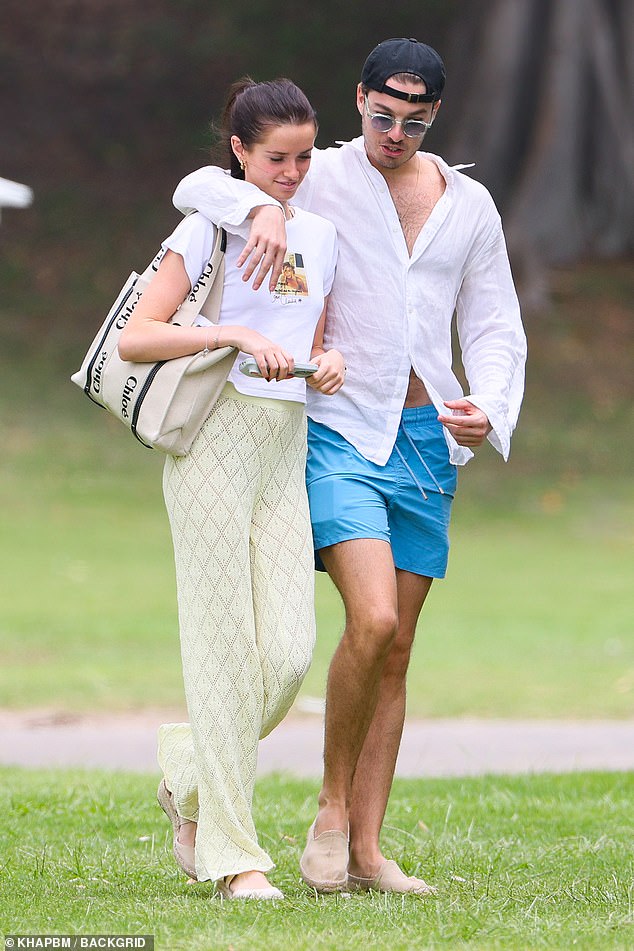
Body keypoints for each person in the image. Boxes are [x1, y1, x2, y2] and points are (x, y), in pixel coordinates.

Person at [172, 38, 527, 896]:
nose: (393, 134)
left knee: (396, 650)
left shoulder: (469, 204)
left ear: (434, 115)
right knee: (369, 620)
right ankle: (330, 812)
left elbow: (493, 323)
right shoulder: (321, 173)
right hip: (334, 429)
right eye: (380, 115)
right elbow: (200, 185)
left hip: (424, 438)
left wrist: (490, 405)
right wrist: (254, 209)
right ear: (361, 99)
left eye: (411, 121)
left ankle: (367, 851)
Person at [119, 76, 345, 901]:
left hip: (286, 442)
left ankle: (185, 769)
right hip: (212, 436)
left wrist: (330, 360)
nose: (291, 172)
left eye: (303, 157)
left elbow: (314, 335)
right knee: (220, 652)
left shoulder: (318, 236)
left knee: (286, 651)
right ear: (240, 152)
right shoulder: (205, 224)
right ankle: (234, 857)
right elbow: (140, 336)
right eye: (275, 158)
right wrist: (229, 332)